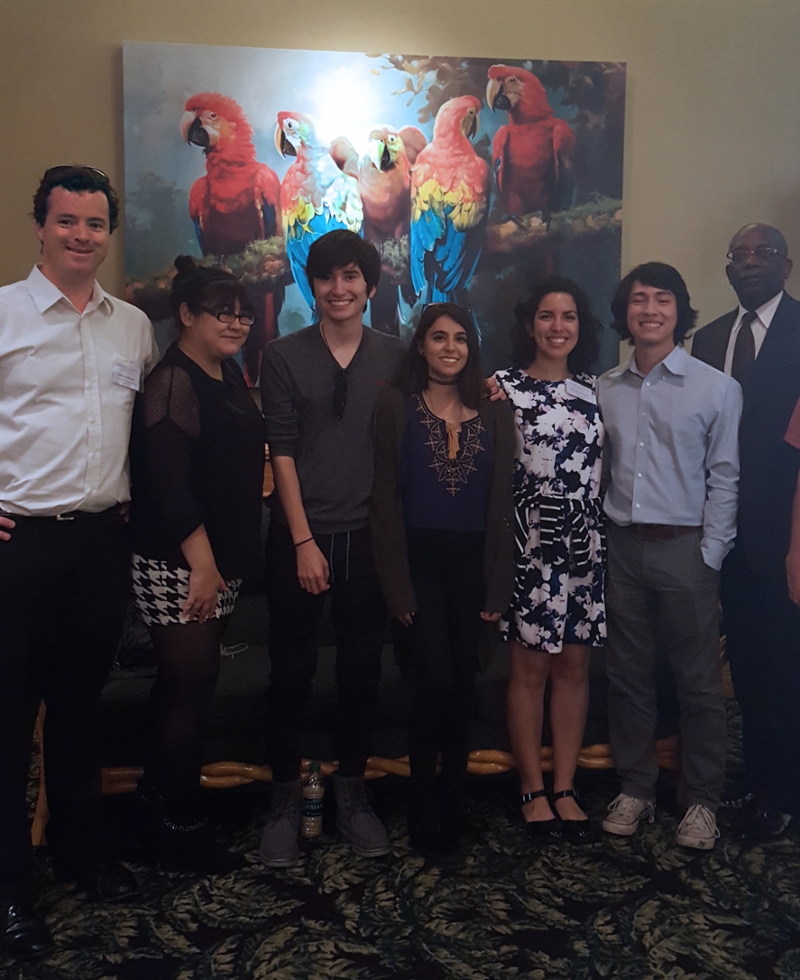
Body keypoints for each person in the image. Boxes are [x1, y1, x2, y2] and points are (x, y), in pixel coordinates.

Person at [0, 166, 158, 958]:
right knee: (6, 719)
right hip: (19, 546)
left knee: (77, 712)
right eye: (67, 222)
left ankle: (78, 854)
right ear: (40, 226)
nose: (82, 237)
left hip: (100, 544)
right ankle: (8, 888)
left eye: (96, 225)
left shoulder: (131, 325)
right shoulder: (1, 315)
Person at [259, 230, 406, 867]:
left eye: (351, 277)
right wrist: (301, 541)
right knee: (290, 672)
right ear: (310, 285)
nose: (339, 289)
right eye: (327, 278)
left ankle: (353, 793)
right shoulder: (282, 355)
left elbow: (444, 408)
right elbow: (282, 451)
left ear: (370, 286)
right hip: (301, 538)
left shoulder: (398, 357)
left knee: (359, 671)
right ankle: (285, 800)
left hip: (370, 540)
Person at [597, 262, 742, 851]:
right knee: (628, 676)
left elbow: (725, 477)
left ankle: (702, 800)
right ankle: (636, 786)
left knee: (698, 683)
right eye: (637, 300)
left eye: (661, 299)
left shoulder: (716, 388)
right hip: (622, 549)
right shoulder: (605, 387)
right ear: (624, 314)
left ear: (680, 311)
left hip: (686, 550)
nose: (649, 310)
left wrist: (711, 552)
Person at [128, 256, 265, 871]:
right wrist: (203, 567)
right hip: (179, 560)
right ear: (185, 315)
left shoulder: (227, 372)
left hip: (220, 559)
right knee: (190, 686)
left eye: (242, 314)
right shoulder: (174, 380)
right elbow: (169, 486)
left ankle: (154, 801)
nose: (236, 323)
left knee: (192, 683)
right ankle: (177, 826)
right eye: (221, 313)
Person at [370, 303, 514, 863]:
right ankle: (421, 802)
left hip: (473, 566)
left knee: (462, 687)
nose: (449, 348)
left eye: (460, 338)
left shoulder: (496, 412)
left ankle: (453, 805)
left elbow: (502, 504)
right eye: (438, 338)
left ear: (470, 347)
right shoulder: (396, 407)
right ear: (421, 346)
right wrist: (398, 589)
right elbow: (384, 500)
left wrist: (497, 589)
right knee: (431, 682)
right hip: (418, 564)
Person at [692, 224, 800, 841]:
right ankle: (758, 777)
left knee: (789, 670)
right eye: (740, 255)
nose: (751, 262)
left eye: (764, 254)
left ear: (786, 266)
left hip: (785, 535)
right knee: (750, 671)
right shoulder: (707, 340)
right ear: (728, 268)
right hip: (726, 538)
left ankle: (786, 793)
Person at [494, 277, 604, 843]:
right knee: (529, 671)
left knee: (574, 668)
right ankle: (531, 790)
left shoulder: (595, 390)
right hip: (529, 545)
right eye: (546, 316)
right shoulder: (502, 388)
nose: (557, 327)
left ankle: (566, 787)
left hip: (583, 546)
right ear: (529, 324)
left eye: (568, 316)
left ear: (580, 327)